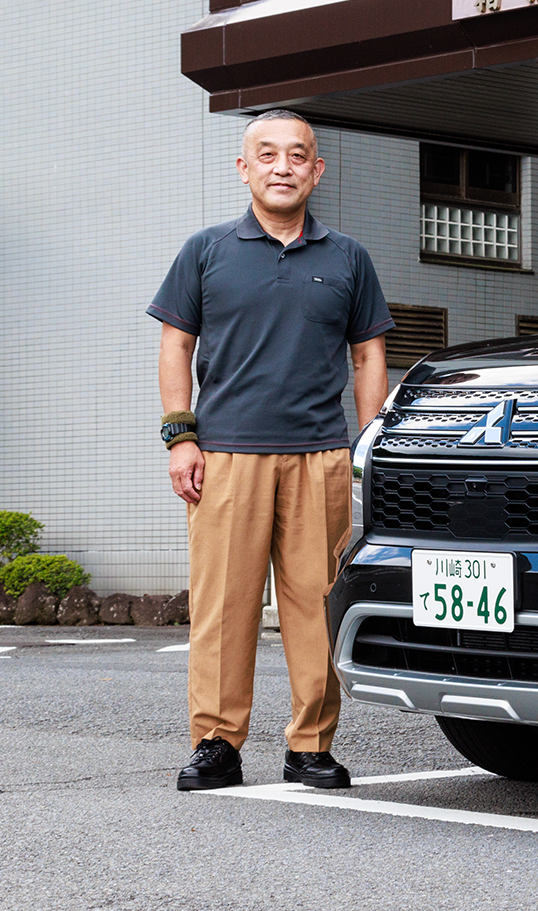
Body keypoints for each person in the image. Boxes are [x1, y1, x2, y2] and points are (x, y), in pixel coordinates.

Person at [148, 110, 393, 791]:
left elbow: (369, 355)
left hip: (321, 456)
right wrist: (180, 436)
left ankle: (310, 745)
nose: (282, 166)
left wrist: (366, 449)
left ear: (317, 169)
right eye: (267, 154)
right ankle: (216, 744)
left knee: (316, 607)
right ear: (244, 168)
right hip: (225, 455)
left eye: (297, 155)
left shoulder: (348, 257)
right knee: (223, 608)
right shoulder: (206, 251)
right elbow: (176, 345)